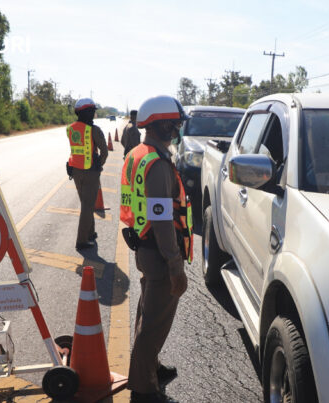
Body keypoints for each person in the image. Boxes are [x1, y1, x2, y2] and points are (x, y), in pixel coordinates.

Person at [120, 95, 193, 403]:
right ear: (162, 126)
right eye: (174, 125)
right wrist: (175, 265)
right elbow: (162, 219)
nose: (177, 131)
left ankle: (152, 369)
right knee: (153, 325)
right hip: (160, 254)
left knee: (148, 315)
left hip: (145, 248)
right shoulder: (158, 164)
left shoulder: (138, 154)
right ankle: (144, 389)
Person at [67, 98, 108, 250]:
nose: (93, 114)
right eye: (92, 111)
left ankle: (90, 233)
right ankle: (81, 241)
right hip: (90, 172)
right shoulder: (93, 130)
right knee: (88, 207)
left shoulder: (70, 129)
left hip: (76, 171)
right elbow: (104, 152)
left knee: (86, 204)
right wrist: (99, 165)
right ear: (88, 112)